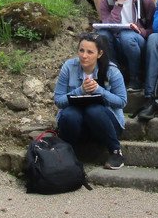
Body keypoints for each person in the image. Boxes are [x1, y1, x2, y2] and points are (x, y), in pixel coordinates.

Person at [53, 32, 128, 170]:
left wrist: (99, 90)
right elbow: (58, 100)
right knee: (69, 114)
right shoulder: (69, 67)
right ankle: (68, 153)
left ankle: (116, 152)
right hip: (77, 124)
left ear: (99, 54)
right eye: (81, 50)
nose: (84, 55)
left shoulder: (112, 71)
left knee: (94, 110)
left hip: (105, 123)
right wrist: (80, 91)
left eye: (89, 52)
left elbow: (122, 101)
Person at [96, 0, 155, 92]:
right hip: (116, 42)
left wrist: (140, 31)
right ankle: (116, 76)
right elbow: (108, 26)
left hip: (137, 42)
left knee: (127, 36)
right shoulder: (107, 1)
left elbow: (154, 28)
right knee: (102, 35)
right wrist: (118, 4)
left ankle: (136, 79)